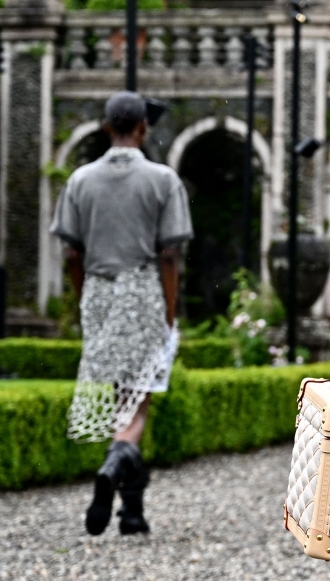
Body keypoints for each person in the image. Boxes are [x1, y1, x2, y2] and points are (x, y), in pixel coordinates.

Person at [50, 91, 193, 536]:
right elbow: (169, 252)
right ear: (143, 128)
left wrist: (83, 296)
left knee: (120, 392)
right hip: (143, 291)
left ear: (106, 126)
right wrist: (168, 309)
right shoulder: (162, 178)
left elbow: (71, 250)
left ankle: (131, 511)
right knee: (138, 401)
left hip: (97, 292)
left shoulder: (79, 180)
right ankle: (117, 462)